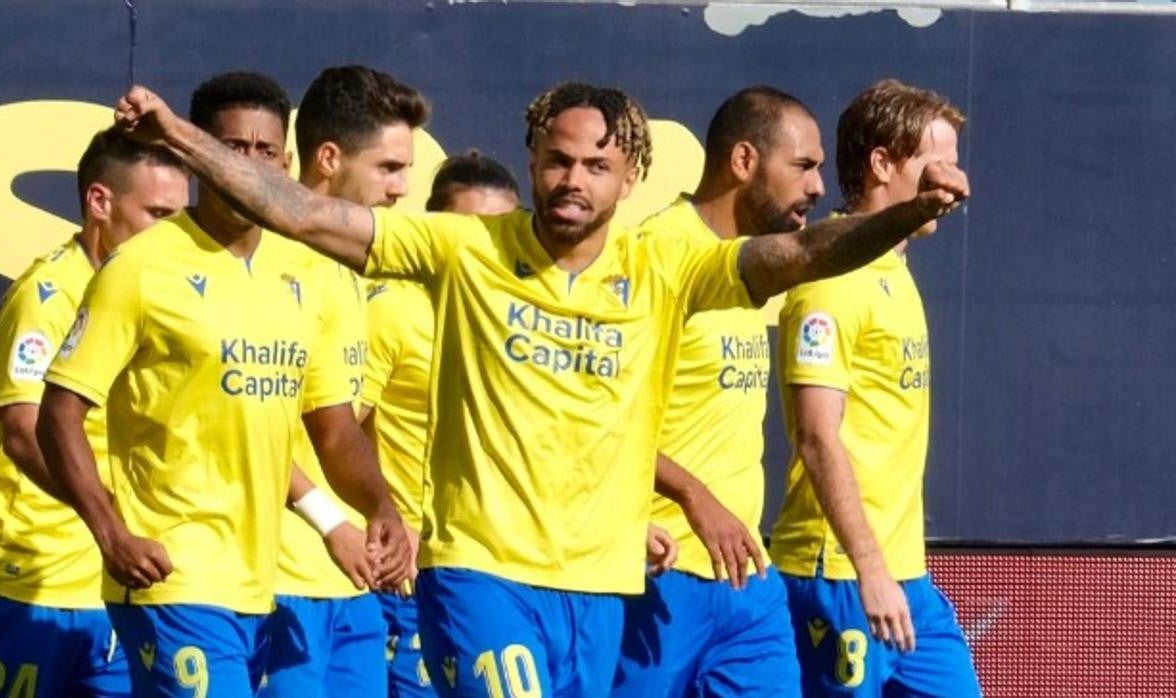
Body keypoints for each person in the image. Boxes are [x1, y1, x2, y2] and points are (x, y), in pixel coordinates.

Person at [110, 79, 968, 696]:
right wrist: (178, 137)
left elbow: (806, 254)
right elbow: (302, 213)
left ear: (627, 176)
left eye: (595, 165)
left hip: (598, 594)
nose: (572, 180)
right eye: (556, 161)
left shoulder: (662, 265)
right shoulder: (466, 251)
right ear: (532, 159)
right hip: (479, 577)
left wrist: (905, 214)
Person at [37, 71, 410, 698]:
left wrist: (380, 506)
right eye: (234, 149)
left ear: (286, 160)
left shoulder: (306, 273)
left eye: (266, 152)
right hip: (172, 573)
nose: (252, 165)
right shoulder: (142, 267)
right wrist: (110, 532)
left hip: (258, 579)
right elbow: (58, 412)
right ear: (197, 156)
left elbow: (334, 427)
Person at [0, 128, 188, 697]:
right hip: (26, 582)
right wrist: (113, 528)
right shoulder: (48, 294)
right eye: (157, 213)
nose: (173, 234)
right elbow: (25, 433)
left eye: (181, 217)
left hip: (120, 588)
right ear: (99, 203)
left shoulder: (156, 296)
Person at [769, 79, 981, 697]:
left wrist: (891, 569)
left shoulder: (896, 269)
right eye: (934, 165)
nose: (951, 182)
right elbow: (815, 435)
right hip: (837, 574)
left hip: (904, 575)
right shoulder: (831, 282)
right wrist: (869, 567)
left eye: (954, 164)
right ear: (882, 164)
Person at [612, 85, 825, 697]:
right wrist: (693, 496)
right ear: (743, 162)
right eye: (803, 166)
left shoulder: (749, 268)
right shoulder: (656, 255)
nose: (816, 187)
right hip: (657, 573)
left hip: (746, 585)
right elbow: (599, 420)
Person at [263, 64, 429, 698]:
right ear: (328, 158)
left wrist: (386, 510)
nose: (402, 189)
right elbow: (249, 428)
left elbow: (350, 423)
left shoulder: (351, 272)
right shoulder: (269, 266)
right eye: (388, 169)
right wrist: (333, 520)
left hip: (349, 587)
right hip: (276, 581)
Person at [357, 148, 521, 696]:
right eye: (469, 226)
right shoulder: (394, 309)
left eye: (501, 229)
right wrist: (383, 515)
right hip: (410, 575)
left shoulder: (523, 316)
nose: (483, 243)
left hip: (503, 573)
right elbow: (333, 428)